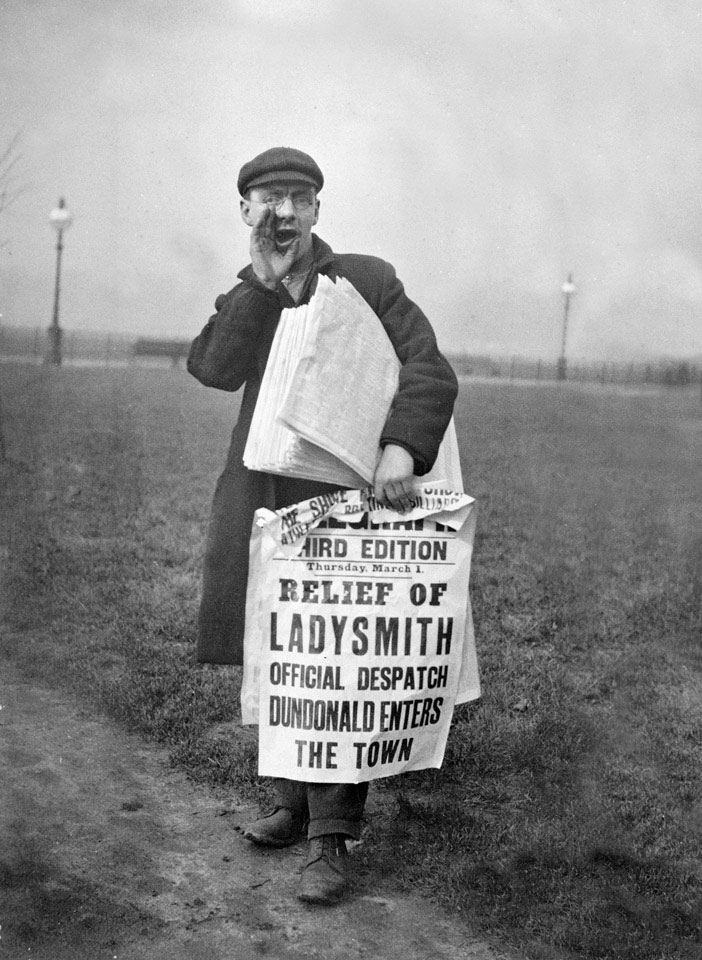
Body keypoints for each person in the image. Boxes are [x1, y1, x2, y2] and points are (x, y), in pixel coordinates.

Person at [187, 146, 458, 905]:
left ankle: (331, 838)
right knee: (278, 651)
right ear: (246, 211)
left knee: (335, 660)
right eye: (268, 200)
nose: (283, 213)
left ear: (317, 210)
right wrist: (260, 287)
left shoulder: (366, 281)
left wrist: (401, 447)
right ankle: (289, 801)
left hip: (343, 506)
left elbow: (429, 367)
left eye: (298, 199)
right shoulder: (247, 293)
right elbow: (213, 368)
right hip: (264, 498)